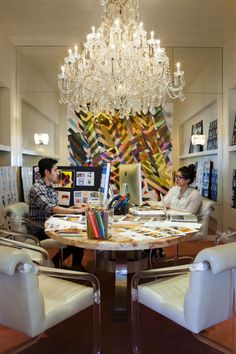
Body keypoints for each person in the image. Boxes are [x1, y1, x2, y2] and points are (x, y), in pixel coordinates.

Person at [28, 158, 86, 270]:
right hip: (39, 228)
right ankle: (57, 263)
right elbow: (52, 209)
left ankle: (75, 266)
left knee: (78, 235)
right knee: (75, 239)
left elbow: (55, 207)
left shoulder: (50, 187)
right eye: (55, 170)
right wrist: (75, 211)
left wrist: (74, 207)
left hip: (51, 224)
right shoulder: (36, 188)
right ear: (46, 172)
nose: (58, 173)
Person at [152, 164, 201, 259]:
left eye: (180, 177)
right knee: (152, 224)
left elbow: (190, 213)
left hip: (185, 222)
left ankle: (155, 251)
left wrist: (172, 208)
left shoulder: (195, 194)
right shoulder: (174, 189)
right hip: (171, 219)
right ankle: (154, 251)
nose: (177, 179)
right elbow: (164, 203)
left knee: (156, 227)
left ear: (188, 180)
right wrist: (151, 203)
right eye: (176, 176)